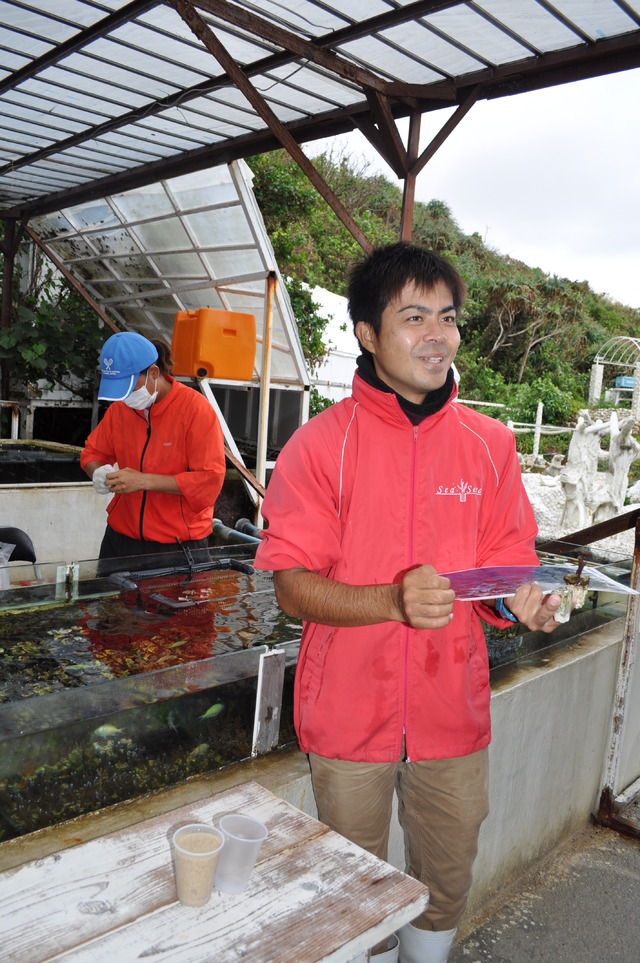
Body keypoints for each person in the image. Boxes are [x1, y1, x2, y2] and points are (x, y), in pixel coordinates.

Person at [254, 243, 564, 963]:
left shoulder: (491, 445)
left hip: (451, 712)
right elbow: (291, 583)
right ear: (367, 333)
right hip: (345, 715)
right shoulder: (319, 445)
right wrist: (389, 600)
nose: (438, 335)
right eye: (414, 316)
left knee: (445, 877)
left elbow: (506, 573)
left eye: (448, 318)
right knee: (352, 889)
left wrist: (527, 604)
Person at [81, 331, 225, 576]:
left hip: (177, 547)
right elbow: (93, 452)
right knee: (108, 613)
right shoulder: (120, 409)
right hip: (120, 541)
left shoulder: (196, 410)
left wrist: (143, 481)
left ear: (154, 373)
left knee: (172, 615)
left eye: (128, 387)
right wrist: (97, 471)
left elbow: (209, 480)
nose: (124, 398)